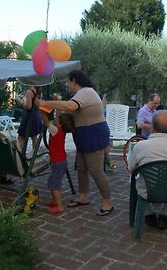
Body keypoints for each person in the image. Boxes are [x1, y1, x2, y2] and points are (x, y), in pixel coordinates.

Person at [36, 70, 113, 216]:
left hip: (93, 136)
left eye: (68, 81)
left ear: (74, 81)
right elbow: (67, 113)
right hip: (84, 136)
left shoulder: (86, 92)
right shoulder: (80, 95)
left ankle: (108, 202)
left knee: (96, 171)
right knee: (82, 169)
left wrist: (45, 103)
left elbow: (70, 107)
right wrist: (55, 104)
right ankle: (83, 197)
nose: (67, 84)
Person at [40, 109, 75, 215]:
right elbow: (58, 115)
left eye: (56, 118)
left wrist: (41, 109)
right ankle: (54, 201)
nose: (55, 118)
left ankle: (59, 207)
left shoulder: (55, 130)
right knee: (52, 182)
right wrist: (55, 103)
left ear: (59, 124)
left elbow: (45, 120)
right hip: (60, 161)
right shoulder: (61, 130)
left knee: (55, 185)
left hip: (58, 163)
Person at [17, 86, 43, 152]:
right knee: (34, 136)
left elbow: (28, 106)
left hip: (30, 116)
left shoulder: (29, 91)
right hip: (37, 115)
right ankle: (35, 154)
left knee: (21, 137)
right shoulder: (39, 92)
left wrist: (21, 102)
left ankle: (23, 155)